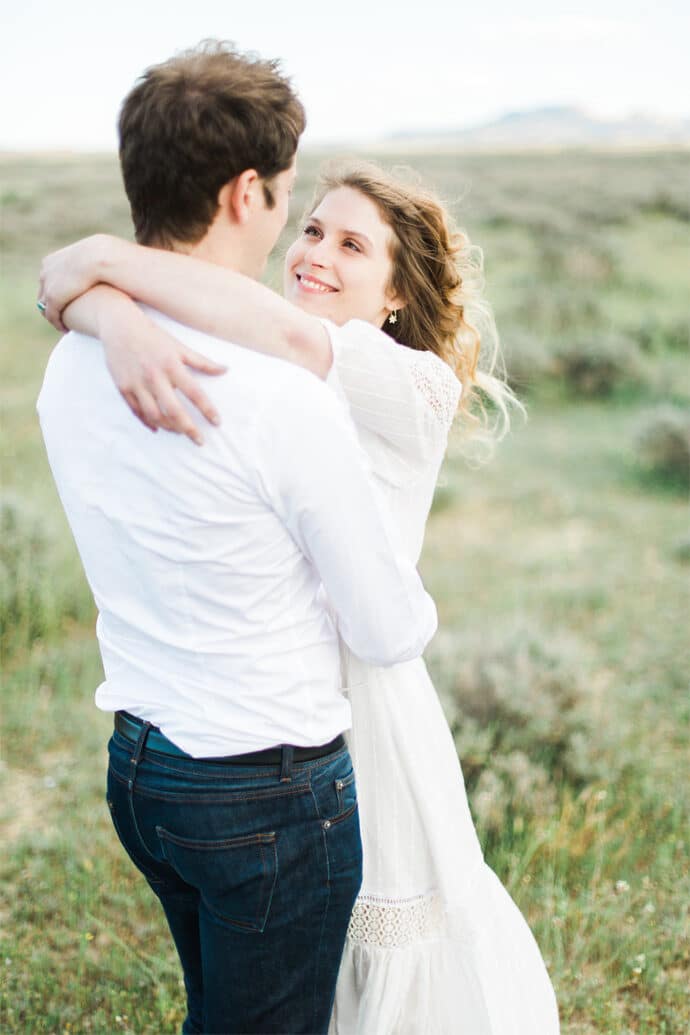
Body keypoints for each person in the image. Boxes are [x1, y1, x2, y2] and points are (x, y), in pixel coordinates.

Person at [40, 154, 562, 1033]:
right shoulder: (268, 344)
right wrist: (112, 316)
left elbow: (107, 285)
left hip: (366, 708)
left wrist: (99, 265)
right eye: (313, 229)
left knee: (375, 947)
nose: (316, 252)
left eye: (353, 245)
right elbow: (60, 289)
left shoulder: (410, 381)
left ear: (396, 293)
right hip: (269, 698)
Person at [36, 42, 441, 1035]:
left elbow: (67, 290)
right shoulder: (278, 396)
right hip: (266, 786)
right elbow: (388, 629)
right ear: (246, 194)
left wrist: (95, 287)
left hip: (144, 767)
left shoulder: (75, 361)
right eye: (296, 204)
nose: (307, 243)